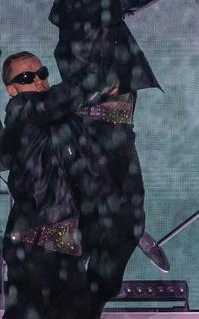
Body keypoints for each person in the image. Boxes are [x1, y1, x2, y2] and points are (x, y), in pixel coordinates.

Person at [46, 0, 178, 315]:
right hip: (94, 132)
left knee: (124, 223)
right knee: (108, 224)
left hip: (113, 130)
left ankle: (85, 301)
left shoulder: (88, 7)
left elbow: (111, 9)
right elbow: (116, 1)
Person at [0, 51, 117, 318]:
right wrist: (97, 78)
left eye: (42, 73)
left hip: (62, 237)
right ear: (12, 90)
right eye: (27, 77)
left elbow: (111, 116)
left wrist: (114, 93)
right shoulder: (22, 110)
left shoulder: (59, 118)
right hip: (35, 239)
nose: (38, 81)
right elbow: (65, 98)